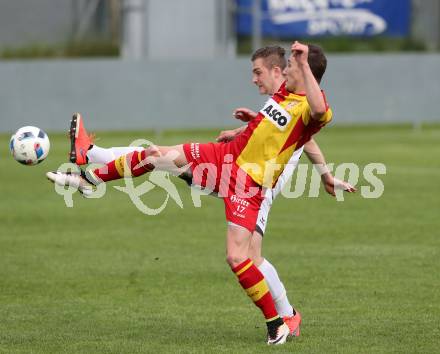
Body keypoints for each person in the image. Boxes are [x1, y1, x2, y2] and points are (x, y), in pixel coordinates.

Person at [48, 41, 335, 345]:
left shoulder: (311, 107)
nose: (287, 68)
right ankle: (90, 176)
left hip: (248, 183)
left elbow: (315, 115)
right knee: (155, 155)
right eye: (289, 63)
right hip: (223, 156)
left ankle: (277, 323)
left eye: (292, 65)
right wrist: (243, 128)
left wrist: (303, 65)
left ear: (304, 72)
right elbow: (272, 125)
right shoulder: (284, 94)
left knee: (240, 258)